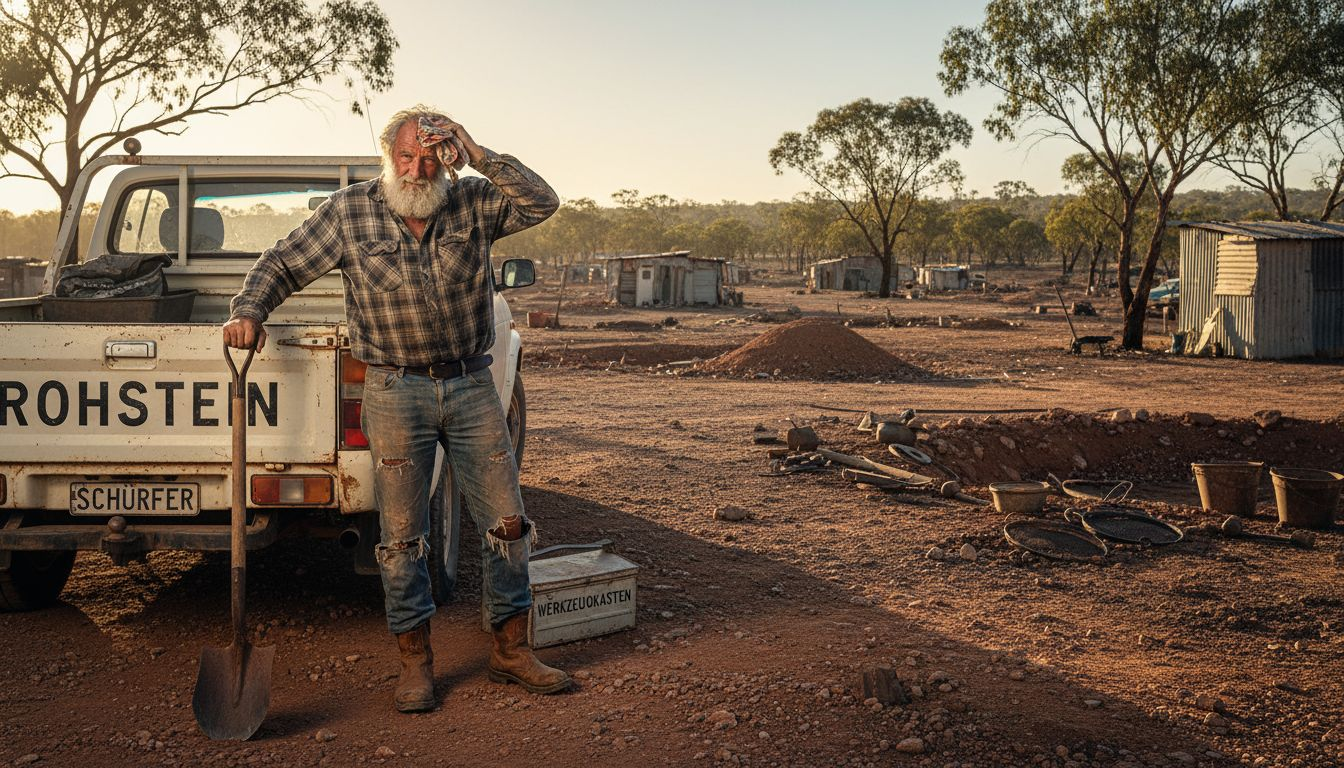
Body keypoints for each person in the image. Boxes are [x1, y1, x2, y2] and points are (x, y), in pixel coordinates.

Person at [222, 105, 567, 712]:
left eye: (431, 156)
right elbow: (283, 262)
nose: (417, 168)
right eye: (407, 156)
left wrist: (478, 153)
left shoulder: (472, 202)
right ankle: (415, 663)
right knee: (402, 536)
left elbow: (542, 202)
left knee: (508, 523)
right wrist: (249, 310)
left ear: (447, 158)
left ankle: (510, 650)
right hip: (393, 390)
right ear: (389, 156)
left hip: (470, 384)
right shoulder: (350, 212)